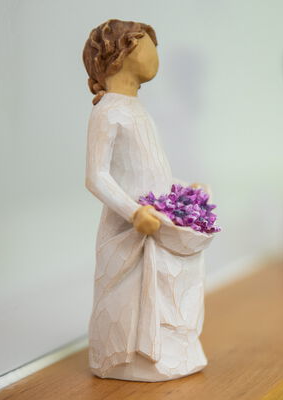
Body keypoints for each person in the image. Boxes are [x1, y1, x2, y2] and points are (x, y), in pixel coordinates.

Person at [83, 19, 212, 381]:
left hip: (155, 224)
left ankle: (168, 353)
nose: (156, 54)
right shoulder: (108, 111)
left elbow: (151, 171)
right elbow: (96, 176)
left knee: (167, 292)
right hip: (131, 232)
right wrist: (133, 212)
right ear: (119, 55)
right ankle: (125, 358)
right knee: (128, 298)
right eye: (146, 47)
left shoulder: (138, 109)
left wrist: (183, 188)